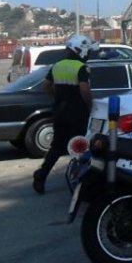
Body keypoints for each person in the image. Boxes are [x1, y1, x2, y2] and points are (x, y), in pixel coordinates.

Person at [32, 33, 98, 194]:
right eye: (87, 51)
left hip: (60, 112)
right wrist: (90, 105)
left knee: (57, 146)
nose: (88, 54)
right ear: (81, 51)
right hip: (77, 113)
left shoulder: (57, 65)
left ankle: (41, 175)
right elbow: (84, 89)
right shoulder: (81, 67)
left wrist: (58, 97)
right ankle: (81, 183)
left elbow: (47, 85)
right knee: (81, 146)